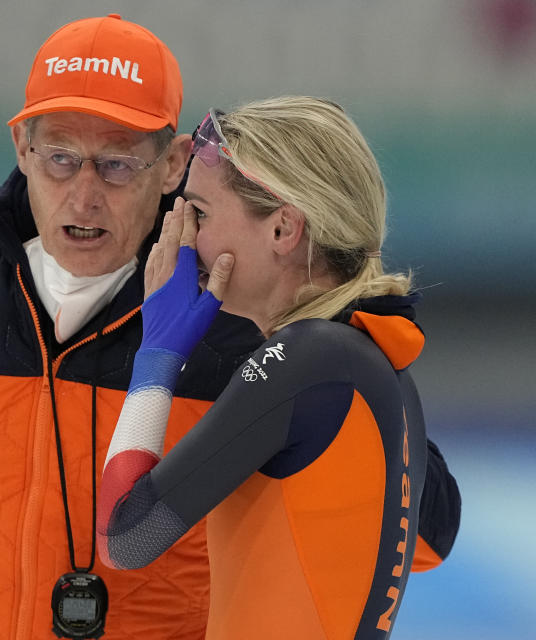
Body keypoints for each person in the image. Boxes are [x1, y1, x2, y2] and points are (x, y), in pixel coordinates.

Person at [0, 15, 459, 640]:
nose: (84, 194)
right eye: (59, 156)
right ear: (21, 147)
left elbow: (416, 534)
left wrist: (349, 342)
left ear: (171, 163)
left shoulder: (237, 306)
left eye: (116, 163)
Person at [97, 97, 460, 639]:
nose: (183, 235)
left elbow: (125, 537)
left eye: (199, 212)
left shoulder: (307, 360)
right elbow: (434, 536)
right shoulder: (372, 362)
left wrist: (158, 355)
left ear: (283, 229)